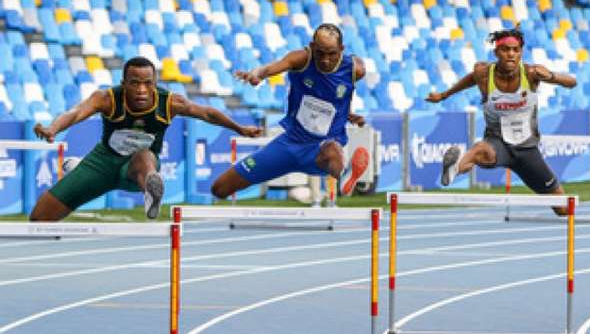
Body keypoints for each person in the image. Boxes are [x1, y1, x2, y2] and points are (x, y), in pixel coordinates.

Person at [31, 56, 262, 221]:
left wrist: (238, 128)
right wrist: (53, 128)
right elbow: (77, 112)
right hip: (101, 163)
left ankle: (151, 192)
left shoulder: (169, 102)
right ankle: (81, 169)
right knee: (39, 218)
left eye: (147, 83)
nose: (142, 89)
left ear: (155, 84)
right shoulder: (108, 98)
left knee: (144, 157)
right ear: (124, 84)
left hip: (138, 169)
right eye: (135, 83)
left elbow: (208, 113)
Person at [426, 28, 577, 215]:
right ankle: (454, 169)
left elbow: (572, 83)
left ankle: (457, 167)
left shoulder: (531, 73)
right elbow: (470, 79)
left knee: (563, 209)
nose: (511, 54)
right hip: (497, 143)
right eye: (505, 49)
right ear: (496, 52)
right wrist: (443, 95)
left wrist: (553, 76)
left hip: (527, 150)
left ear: (521, 52)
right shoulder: (483, 73)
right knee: (479, 150)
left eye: (515, 50)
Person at [211, 23, 370, 200]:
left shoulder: (355, 70)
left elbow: (344, 93)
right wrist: (258, 74)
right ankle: (342, 172)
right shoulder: (301, 59)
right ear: (312, 47)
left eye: (332, 53)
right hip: (288, 145)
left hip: (320, 150)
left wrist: (347, 112)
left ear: (342, 49)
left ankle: (345, 176)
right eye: (320, 53)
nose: (325, 59)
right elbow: (272, 67)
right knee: (220, 189)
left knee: (332, 150)